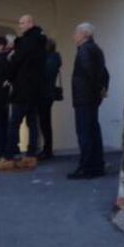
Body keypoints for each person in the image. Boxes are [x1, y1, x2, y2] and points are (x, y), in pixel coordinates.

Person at [0, 14, 47, 171]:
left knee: (14, 123)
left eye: (22, 23)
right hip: (35, 88)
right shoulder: (40, 40)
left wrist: (11, 62)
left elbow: (17, 61)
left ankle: (8, 157)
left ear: (30, 23)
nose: (20, 26)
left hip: (22, 88)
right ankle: (31, 156)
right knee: (32, 123)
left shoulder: (26, 41)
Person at [68, 22, 109, 180]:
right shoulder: (96, 49)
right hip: (91, 98)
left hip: (84, 97)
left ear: (84, 35)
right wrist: (102, 91)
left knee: (84, 132)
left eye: (76, 33)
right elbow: (104, 73)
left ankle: (86, 167)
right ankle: (97, 165)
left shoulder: (84, 50)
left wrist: (96, 90)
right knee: (93, 131)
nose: (74, 36)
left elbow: (90, 73)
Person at [37, 38, 63, 160]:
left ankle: (47, 149)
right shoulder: (54, 58)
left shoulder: (49, 59)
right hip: (48, 93)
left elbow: (45, 75)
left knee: (44, 122)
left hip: (45, 93)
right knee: (45, 121)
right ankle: (47, 149)